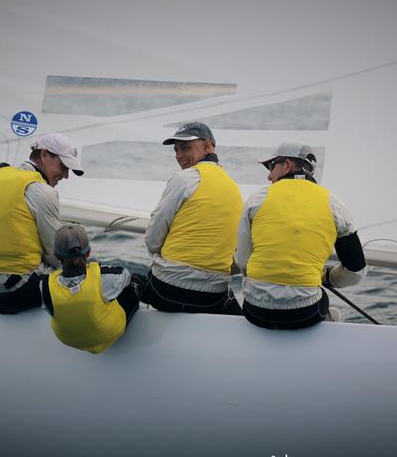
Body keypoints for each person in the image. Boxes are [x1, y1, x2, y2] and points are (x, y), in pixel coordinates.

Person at [234, 141, 366, 329]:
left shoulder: (257, 199)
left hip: (256, 311)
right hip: (304, 314)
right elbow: (355, 272)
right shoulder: (334, 204)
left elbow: (243, 262)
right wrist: (326, 277)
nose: (268, 175)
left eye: (271, 166)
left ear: (287, 165)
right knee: (323, 300)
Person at [0, 132, 83, 314]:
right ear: (44, 155)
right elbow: (57, 255)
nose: (66, 176)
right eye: (63, 166)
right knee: (83, 275)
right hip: (18, 292)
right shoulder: (41, 191)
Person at [141, 122, 243, 315]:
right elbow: (237, 253)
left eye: (186, 148)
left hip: (168, 291)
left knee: (127, 283)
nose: (179, 156)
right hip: (211, 298)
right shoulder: (234, 189)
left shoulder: (184, 178)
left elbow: (155, 231)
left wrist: (158, 256)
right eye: (176, 149)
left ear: (208, 146)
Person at [41, 224, 143, 354]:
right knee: (137, 281)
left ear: (56, 255)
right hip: (106, 334)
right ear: (88, 252)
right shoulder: (104, 277)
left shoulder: (44, 286)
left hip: (69, 340)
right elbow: (126, 275)